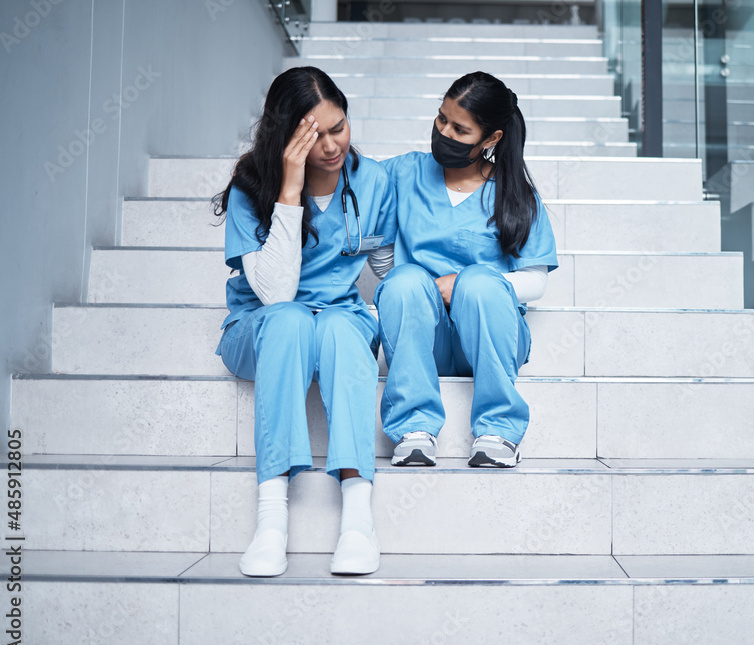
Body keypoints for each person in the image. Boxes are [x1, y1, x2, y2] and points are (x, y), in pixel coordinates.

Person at [213, 67, 396, 577]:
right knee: (292, 319)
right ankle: (271, 519)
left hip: (339, 317)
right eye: (315, 137)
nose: (333, 146)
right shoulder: (252, 187)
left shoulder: (373, 181)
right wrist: (289, 189)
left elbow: (385, 267)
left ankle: (358, 520)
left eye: (339, 127)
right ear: (285, 136)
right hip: (264, 325)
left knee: (339, 327)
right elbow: (275, 295)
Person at [375, 71, 558, 469]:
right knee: (405, 279)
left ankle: (498, 431)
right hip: (426, 340)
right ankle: (413, 430)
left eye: (460, 129)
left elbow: (536, 281)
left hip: (491, 336)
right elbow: (345, 182)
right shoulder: (404, 174)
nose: (444, 132)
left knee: (477, 281)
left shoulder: (515, 195)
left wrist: (461, 284)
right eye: (442, 119)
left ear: (491, 139)